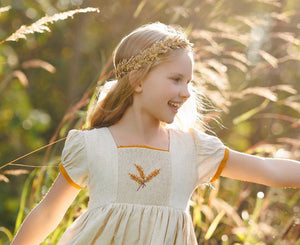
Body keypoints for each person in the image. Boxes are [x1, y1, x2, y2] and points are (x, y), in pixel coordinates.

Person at [11, 22, 300, 245]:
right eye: (176, 79)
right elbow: (49, 213)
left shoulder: (193, 149)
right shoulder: (91, 145)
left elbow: (268, 169)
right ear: (137, 80)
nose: (186, 92)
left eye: (189, 81)